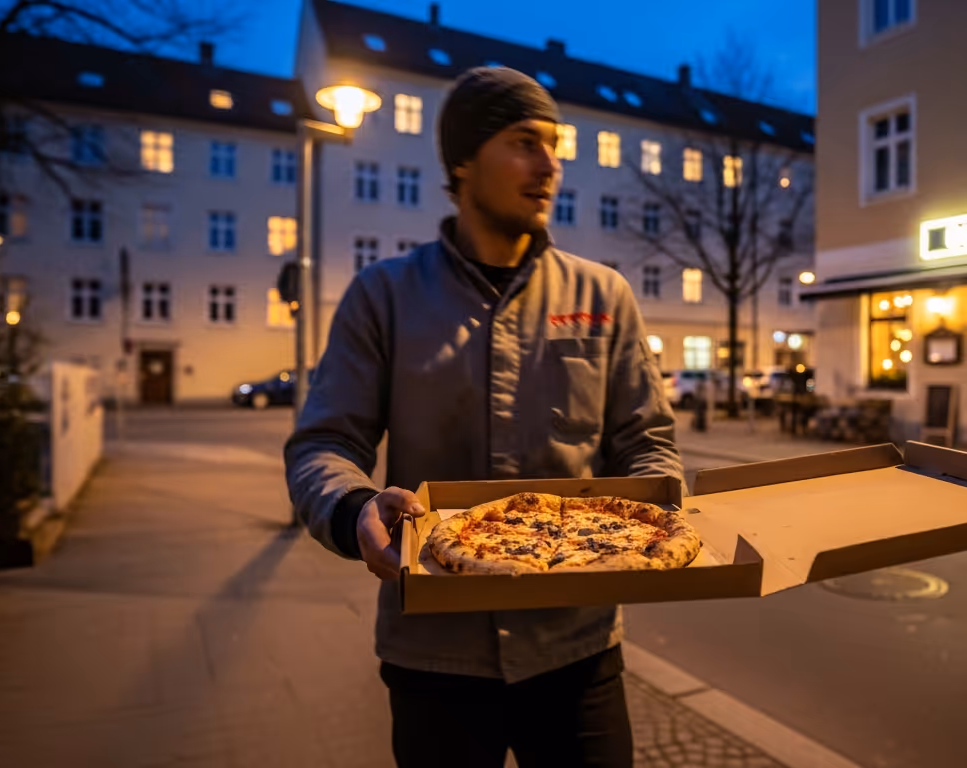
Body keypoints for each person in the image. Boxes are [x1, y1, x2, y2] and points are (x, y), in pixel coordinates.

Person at [285, 66, 682, 767]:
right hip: (434, 655)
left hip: (577, 648)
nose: (550, 165)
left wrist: (657, 506)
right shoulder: (384, 296)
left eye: (555, 145)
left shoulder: (605, 294)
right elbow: (323, 442)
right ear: (463, 160)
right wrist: (352, 510)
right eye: (526, 142)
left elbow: (645, 440)